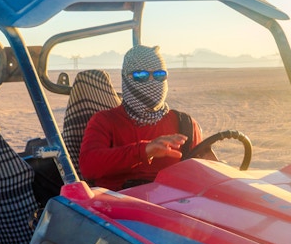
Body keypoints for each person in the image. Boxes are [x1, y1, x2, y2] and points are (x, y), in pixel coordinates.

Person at [79, 44, 202, 190]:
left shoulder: (185, 124)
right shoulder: (105, 121)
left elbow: (205, 171)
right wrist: (143, 151)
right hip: (118, 206)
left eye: (159, 75)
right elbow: (88, 166)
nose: (152, 81)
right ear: (125, 78)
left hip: (174, 206)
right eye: (141, 76)